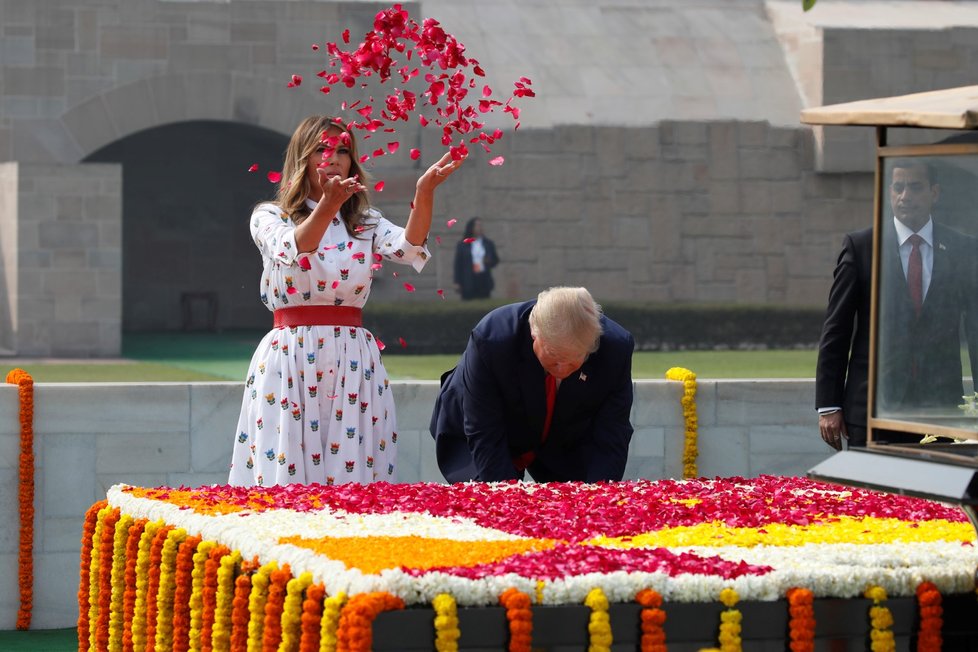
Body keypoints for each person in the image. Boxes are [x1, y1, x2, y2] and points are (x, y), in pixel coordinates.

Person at [229, 115, 465, 486]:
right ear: (302, 158)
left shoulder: (364, 221)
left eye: (343, 150)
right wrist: (327, 203)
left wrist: (425, 192)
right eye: (322, 149)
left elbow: (408, 247)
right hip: (290, 351)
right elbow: (297, 247)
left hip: (352, 354)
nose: (334, 157)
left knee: (353, 476)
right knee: (287, 475)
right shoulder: (271, 216)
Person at [815, 158, 977, 450]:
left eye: (915, 187)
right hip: (872, 409)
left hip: (940, 408)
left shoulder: (963, 249)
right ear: (889, 193)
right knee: (875, 495)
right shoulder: (861, 246)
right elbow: (836, 329)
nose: (906, 196)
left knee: (936, 494)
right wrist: (828, 404)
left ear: (935, 193)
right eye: (898, 188)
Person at [429, 286, 635, 482]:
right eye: (554, 355)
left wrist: (598, 497)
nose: (562, 368)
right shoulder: (493, 340)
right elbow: (483, 429)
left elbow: (612, 433)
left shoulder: (615, 349)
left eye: (574, 358)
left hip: (562, 436)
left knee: (577, 505)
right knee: (490, 502)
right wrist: (506, 497)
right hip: (483, 431)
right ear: (534, 334)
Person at [453, 217, 499, 299]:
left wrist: (489, 261)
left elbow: (495, 260)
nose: (480, 228)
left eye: (481, 225)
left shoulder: (488, 243)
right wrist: (457, 282)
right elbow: (458, 264)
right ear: (471, 227)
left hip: (484, 279)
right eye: (477, 225)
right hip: (468, 280)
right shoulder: (463, 244)